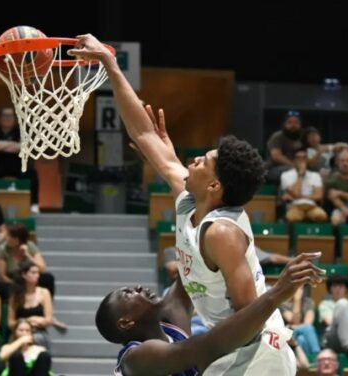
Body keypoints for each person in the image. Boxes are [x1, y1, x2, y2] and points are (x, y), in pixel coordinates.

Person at [70, 34, 297, 375]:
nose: (191, 160)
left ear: (215, 185)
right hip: (229, 349)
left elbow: (249, 318)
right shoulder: (189, 199)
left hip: (257, 351)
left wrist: (279, 293)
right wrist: (110, 64)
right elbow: (145, 135)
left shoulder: (222, 232)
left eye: (203, 160)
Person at [95, 252, 323, 376]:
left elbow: (190, 262)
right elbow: (208, 347)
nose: (137, 287)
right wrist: (276, 294)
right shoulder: (134, 359)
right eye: (128, 294)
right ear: (125, 322)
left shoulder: (171, 325)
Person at [0, 107, 40, 214]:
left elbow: (24, 147)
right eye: (5, 116)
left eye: (10, 116)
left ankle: (34, 204)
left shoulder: (20, 131)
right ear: (0, 118)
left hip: (17, 166)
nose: (8, 118)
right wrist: (14, 145)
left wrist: (1, 145)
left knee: (32, 173)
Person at [8, 262, 66, 353]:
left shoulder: (44, 293)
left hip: (39, 331)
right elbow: (10, 322)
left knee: (36, 339)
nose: (37, 275)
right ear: (24, 275)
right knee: (20, 340)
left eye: (38, 273)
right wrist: (27, 322)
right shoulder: (16, 295)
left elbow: (49, 319)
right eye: (33, 273)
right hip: (20, 331)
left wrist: (39, 321)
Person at [0, 223, 55, 301]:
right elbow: (2, 277)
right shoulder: (2, 250)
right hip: (12, 280)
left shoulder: (30, 246)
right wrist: (19, 285)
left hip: (31, 278)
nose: (7, 239)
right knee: (2, 288)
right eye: (7, 236)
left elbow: (42, 269)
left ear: (18, 239)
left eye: (10, 237)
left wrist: (28, 256)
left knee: (48, 278)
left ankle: (47, 306)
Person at [280, 148, 327, 223]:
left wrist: (299, 196)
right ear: (294, 160)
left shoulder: (315, 175)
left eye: (304, 158)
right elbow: (293, 192)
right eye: (298, 158)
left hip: (311, 206)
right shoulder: (285, 175)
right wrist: (300, 176)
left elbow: (318, 195)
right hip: (294, 206)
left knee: (321, 216)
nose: (301, 160)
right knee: (293, 218)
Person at [265, 111, 304, 184]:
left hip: (297, 168)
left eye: (296, 122)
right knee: (291, 173)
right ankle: (286, 195)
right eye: (290, 122)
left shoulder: (301, 138)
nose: (293, 125)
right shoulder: (278, 136)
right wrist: (294, 165)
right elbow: (276, 156)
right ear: (284, 124)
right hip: (273, 169)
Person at [279, 286, 320, 354]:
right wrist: (297, 300)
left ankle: (309, 361)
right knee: (305, 330)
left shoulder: (308, 302)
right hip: (288, 335)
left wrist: (293, 326)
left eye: (301, 288)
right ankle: (318, 354)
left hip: (299, 334)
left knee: (301, 339)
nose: (298, 290)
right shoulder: (282, 304)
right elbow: (295, 320)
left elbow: (308, 324)